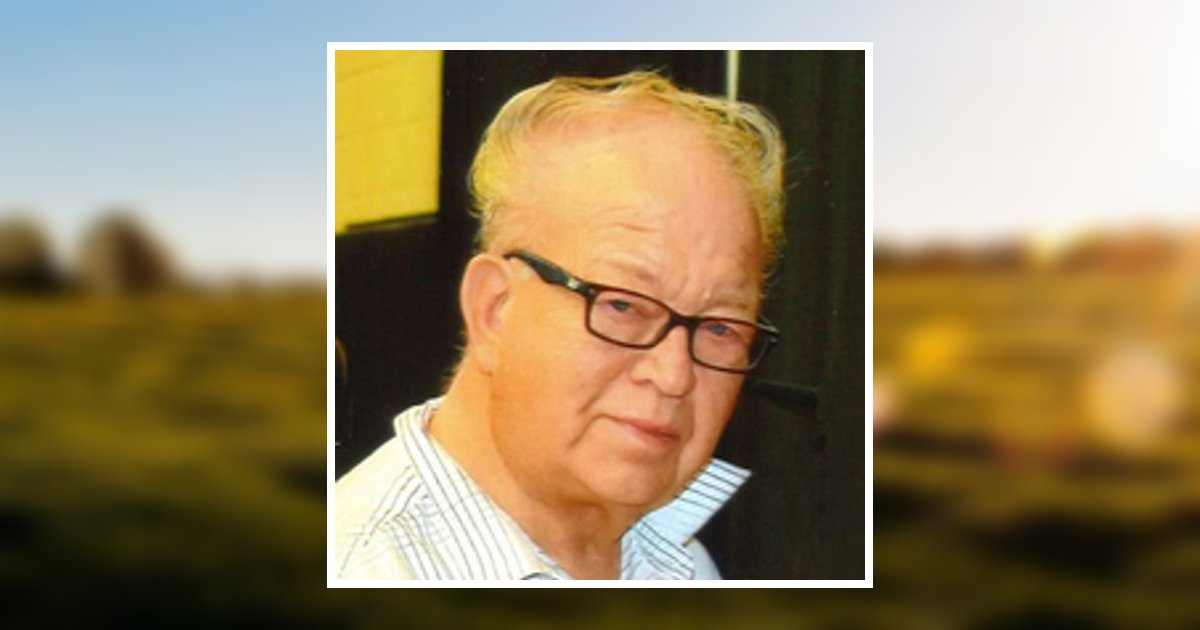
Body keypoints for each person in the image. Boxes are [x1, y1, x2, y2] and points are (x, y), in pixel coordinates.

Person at [335, 70, 785, 580]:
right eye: (623, 306)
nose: (674, 375)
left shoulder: (677, 560)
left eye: (721, 328)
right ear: (494, 309)